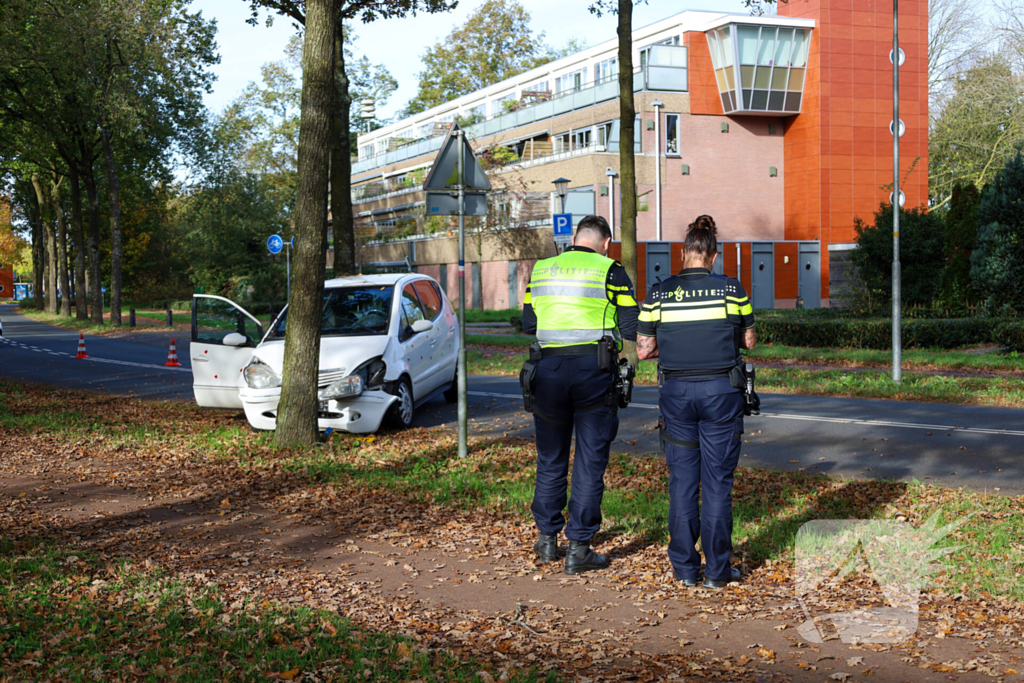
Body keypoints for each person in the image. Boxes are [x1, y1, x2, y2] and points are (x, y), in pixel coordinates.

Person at [636, 215, 756, 589]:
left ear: (684, 252)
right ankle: (718, 572)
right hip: (721, 393)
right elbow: (750, 341)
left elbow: (643, 351)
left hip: (676, 395)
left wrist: (672, 348)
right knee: (718, 482)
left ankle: (686, 570)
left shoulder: (658, 293)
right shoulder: (731, 289)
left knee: (683, 481)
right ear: (713, 256)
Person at [521, 214, 639, 574]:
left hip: (548, 371)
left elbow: (529, 323)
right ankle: (579, 548)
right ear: (605, 243)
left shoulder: (541, 269)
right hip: (593, 371)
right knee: (589, 461)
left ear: (574, 238)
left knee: (550, 457)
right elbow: (631, 323)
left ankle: (546, 540)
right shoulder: (610, 269)